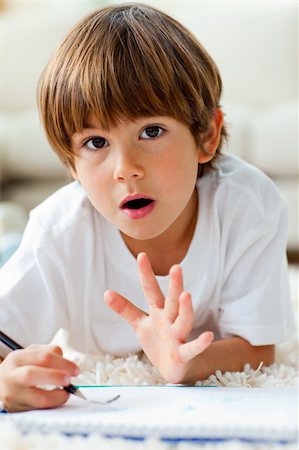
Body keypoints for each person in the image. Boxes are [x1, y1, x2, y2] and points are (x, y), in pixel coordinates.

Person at [0, 3, 295, 412]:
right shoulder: (58, 229)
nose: (126, 170)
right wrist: (8, 381)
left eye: (151, 131)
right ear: (72, 165)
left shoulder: (249, 206)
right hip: (25, 243)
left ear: (207, 136)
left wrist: (184, 366)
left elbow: (258, 347)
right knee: (10, 245)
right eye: (96, 143)